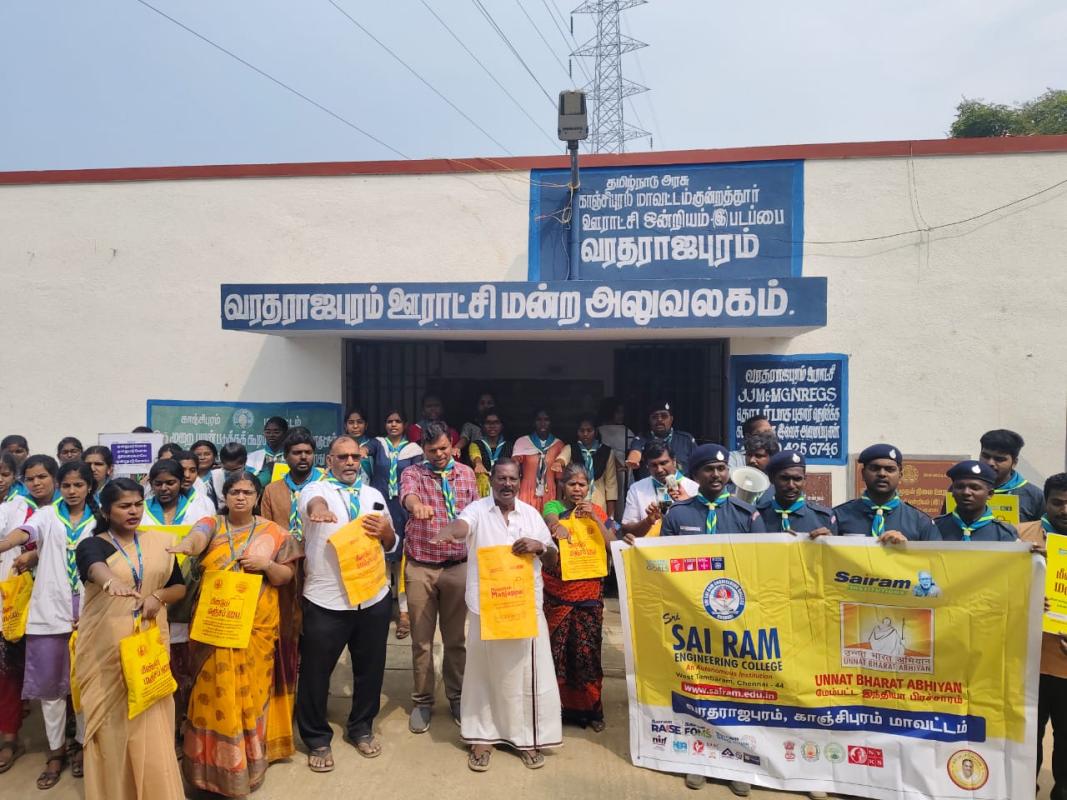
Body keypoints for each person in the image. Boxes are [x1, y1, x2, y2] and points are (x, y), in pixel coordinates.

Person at [169, 471, 302, 795]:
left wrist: (266, 565)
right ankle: (206, 769)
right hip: (214, 626)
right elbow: (197, 537)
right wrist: (186, 546)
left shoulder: (276, 533)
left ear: (257, 497)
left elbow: (286, 577)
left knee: (251, 696)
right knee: (210, 693)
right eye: (234, 492)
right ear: (225, 496)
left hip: (257, 629)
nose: (240, 497)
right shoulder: (212, 524)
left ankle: (248, 765)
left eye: (247, 492)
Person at [434, 458, 561, 771]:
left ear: (519, 481)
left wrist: (539, 546)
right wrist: (451, 531)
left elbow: (553, 560)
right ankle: (482, 736)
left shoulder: (531, 514)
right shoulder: (477, 510)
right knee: (483, 673)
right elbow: (463, 526)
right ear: (491, 480)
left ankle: (527, 738)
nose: (507, 484)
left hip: (525, 608)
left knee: (526, 673)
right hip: (487, 608)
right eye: (501, 478)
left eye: (513, 479)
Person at [74, 478, 186, 800]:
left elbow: (178, 587)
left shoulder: (158, 543)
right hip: (106, 652)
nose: (133, 511)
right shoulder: (93, 544)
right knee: (111, 728)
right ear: (107, 511)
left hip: (147, 648)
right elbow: (95, 568)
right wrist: (111, 583)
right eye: (124, 506)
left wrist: (157, 597)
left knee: (151, 720)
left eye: (138, 504)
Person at [296, 435, 396, 771]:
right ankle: (316, 738)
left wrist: (385, 532)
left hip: (372, 597)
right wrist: (319, 511)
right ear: (329, 461)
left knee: (370, 669)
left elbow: (391, 543)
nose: (350, 462)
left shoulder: (373, 495)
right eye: (342, 457)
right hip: (328, 600)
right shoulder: (315, 489)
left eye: (355, 456)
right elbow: (312, 504)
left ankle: (361, 728)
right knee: (316, 672)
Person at [0, 460, 96, 789]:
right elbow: (26, 532)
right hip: (49, 615)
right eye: (66, 485)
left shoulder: (100, 518)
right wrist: (6, 544)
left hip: (90, 613)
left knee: (84, 685)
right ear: (59, 485)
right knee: (51, 690)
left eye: (78, 485)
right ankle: (55, 752)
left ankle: (81, 745)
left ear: (89, 486)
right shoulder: (47, 514)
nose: (72, 491)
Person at [400, 422, 478, 733]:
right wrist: (416, 505)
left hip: (457, 567)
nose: (439, 454)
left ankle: (457, 697)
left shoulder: (467, 474)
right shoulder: (413, 473)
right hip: (421, 567)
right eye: (432, 450)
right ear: (423, 449)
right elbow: (407, 495)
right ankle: (422, 701)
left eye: (444, 448)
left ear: (452, 445)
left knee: (456, 639)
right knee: (421, 641)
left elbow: (476, 515)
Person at [258, 428, 324, 760]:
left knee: (316, 639)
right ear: (286, 457)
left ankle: (313, 704)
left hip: (318, 571)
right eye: (296, 452)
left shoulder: (325, 486)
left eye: (307, 452)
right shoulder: (272, 490)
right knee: (285, 637)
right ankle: (285, 704)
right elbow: (265, 530)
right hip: (284, 573)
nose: (303, 457)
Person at [542, 464, 616, 731]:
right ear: (562, 485)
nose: (576, 489)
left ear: (589, 487)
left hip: (588, 593)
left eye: (581, 484)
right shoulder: (553, 507)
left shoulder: (597, 511)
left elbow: (612, 544)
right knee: (557, 653)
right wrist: (558, 527)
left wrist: (595, 519)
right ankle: (556, 710)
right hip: (558, 594)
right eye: (571, 484)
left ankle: (591, 710)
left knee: (587, 654)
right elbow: (550, 519)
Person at [1018, 473, 1067, 800]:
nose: (1065, 510)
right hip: (1028, 659)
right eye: (1057, 502)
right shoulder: (1019, 534)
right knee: (1026, 737)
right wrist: (1023, 566)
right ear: (1045, 502)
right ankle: (1024, 789)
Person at [364, 410, 422, 640]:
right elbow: (363, 451)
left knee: (403, 561)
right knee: (381, 558)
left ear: (405, 424)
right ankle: (382, 609)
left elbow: (418, 477)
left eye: (398, 421)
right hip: (380, 506)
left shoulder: (414, 450)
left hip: (403, 508)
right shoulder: (378, 444)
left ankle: (404, 613)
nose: (393, 425)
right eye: (389, 421)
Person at [834, 444, 940, 542]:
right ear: (863, 474)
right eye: (874, 468)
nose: (882, 474)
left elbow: (935, 556)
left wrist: (908, 549)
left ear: (900, 475)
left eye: (890, 469)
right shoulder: (838, 517)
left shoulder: (920, 522)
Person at [0, 452, 32, 773]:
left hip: (7, 598)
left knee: (7, 673)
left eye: (4, 473)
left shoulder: (22, 507)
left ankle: (10, 738)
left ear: (13, 477)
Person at [661, 444, 765, 538]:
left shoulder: (747, 514)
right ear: (695, 475)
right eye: (709, 469)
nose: (716, 474)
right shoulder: (677, 514)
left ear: (728, 472)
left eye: (721, 468)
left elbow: (759, 551)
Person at [620, 441, 699, 540]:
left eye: (663, 463)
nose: (659, 469)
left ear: (674, 461)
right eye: (653, 465)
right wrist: (648, 521)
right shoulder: (637, 489)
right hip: (650, 548)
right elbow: (626, 531)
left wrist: (687, 505)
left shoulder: (694, 488)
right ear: (647, 466)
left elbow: (703, 527)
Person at [934, 460, 1018, 541]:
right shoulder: (935, 527)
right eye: (960, 487)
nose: (966, 492)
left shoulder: (1004, 534)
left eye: (975, 488)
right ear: (952, 492)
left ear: (990, 494)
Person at [756, 450, 837, 534]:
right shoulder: (756, 516)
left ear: (804, 480)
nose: (791, 485)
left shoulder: (824, 518)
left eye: (797, 479)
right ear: (771, 479)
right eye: (784, 478)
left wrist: (828, 540)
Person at [979, 429, 1045, 523]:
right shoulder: (963, 488)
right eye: (986, 456)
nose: (990, 463)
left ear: (1014, 463)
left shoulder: (1035, 496)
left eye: (999, 459)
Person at [512, 409, 571, 513]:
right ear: (533, 422)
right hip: (527, 491)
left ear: (551, 422)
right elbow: (514, 469)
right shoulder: (522, 442)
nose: (542, 423)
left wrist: (558, 503)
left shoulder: (558, 445)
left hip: (549, 492)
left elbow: (559, 479)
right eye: (539, 419)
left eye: (546, 419)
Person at [626, 401, 697, 480]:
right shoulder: (641, 439)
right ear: (649, 420)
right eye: (654, 417)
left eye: (664, 416)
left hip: (681, 486)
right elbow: (635, 453)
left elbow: (698, 465)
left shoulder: (686, 439)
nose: (659, 419)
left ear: (671, 419)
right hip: (651, 486)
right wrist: (633, 460)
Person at [140, 458, 214, 527]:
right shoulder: (141, 510)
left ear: (181, 482)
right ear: (151, 484)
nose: (163, 488)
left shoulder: (198, 513)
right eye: (158, 484)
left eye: (170, 483)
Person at [571, 415, 619, 518]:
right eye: (582, 430)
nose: (585, 434)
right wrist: (559, 462)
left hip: (599, 502)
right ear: (577, 432)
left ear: (596, 431)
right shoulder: (572, 449)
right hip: (576, 502)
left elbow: (611, 485)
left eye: (589, 430)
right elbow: (562, 459)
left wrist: (611, 517)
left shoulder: (606, 452)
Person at [468, 410, 511, 498]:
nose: (492, 426)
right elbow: (475, 455)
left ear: (502, 425)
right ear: (482, 425)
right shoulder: (476, 444)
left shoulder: (510, 446)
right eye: (488, 423)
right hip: (482, 491)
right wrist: (478, 464)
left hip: (504, 489)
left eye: (496, 422)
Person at [248, 416, 289, 487]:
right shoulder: (253, 456)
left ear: (285, 433)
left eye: (276, 432)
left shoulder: (290, 455)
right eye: (268, 432)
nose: (271, 435)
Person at [207, 442, 248, 508]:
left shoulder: (253, 476)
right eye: (227, 470)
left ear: (245, 462)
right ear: (221, 463)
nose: (232, 474)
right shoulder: (215, 476)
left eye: (235, 470)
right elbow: (211, 503)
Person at [343, 407, 375, 482]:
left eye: (359, 422)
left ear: (366, 425)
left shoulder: (374, 445)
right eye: (351, 422)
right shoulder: (340, 446)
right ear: (345, 426)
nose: (355, 426)